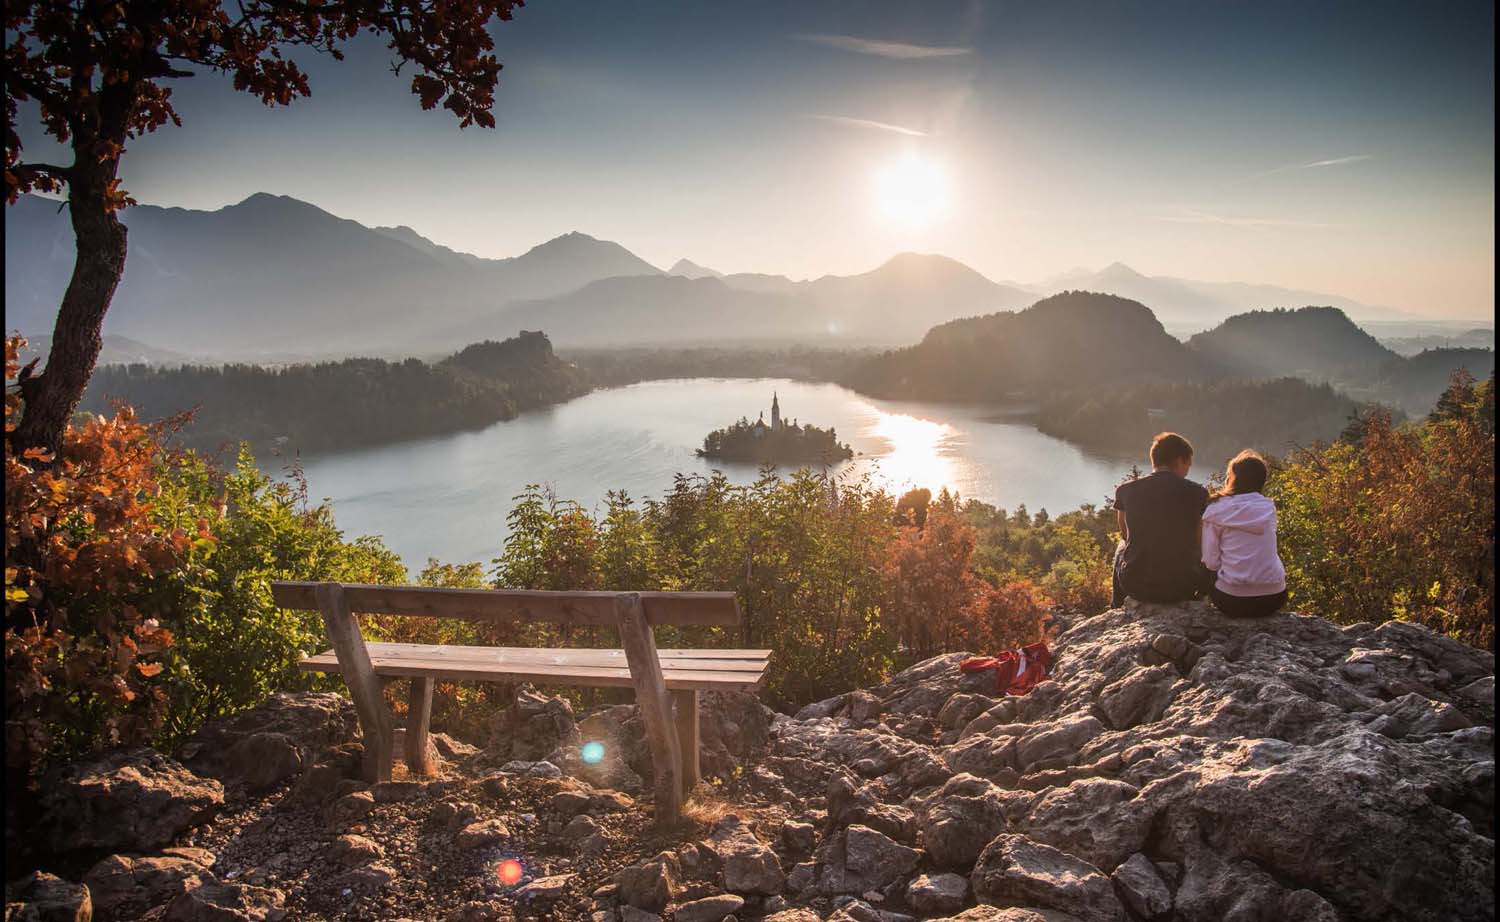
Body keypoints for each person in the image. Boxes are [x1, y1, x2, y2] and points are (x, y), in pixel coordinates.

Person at [1112, 432, 1211, 606]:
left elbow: (1125, 534)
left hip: (1137, 586)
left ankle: (1117, 606)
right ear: (1181, 460)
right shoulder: (1198, 493)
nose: (1188, 471)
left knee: (1121, 547)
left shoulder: (1125, 490)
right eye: (1188, 464)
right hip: (1184, 586)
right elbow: (1199, 540)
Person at [1200, 450, 1288, 617]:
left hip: (1233, 600)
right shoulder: (1268, 508)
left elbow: (1211, 561)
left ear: (1233, 478)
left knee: (1205, 567)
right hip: (1274, 597)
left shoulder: (1216, 510)